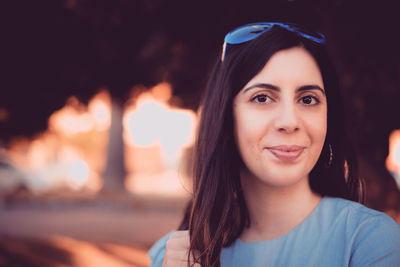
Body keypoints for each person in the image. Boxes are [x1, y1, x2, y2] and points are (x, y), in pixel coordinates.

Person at [148, 22, 400, 267]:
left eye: (309, 99)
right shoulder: (172, 255)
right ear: (225, 115)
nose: (289, 122)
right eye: (262, 98)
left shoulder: (370, 242)